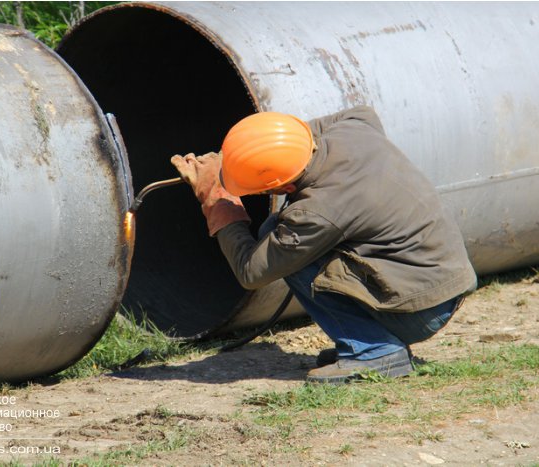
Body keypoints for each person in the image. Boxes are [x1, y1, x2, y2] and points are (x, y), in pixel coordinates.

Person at [170, 106, 477, 384]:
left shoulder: (315, 213)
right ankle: (371, 339)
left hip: (420, 311)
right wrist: (240, 156)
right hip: (443, 281)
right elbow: (360, 113)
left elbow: (251, 271)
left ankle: (375, 350)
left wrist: (216, 198)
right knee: (281, 236)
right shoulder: (354, 128)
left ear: (286, 187)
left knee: (276, 243)